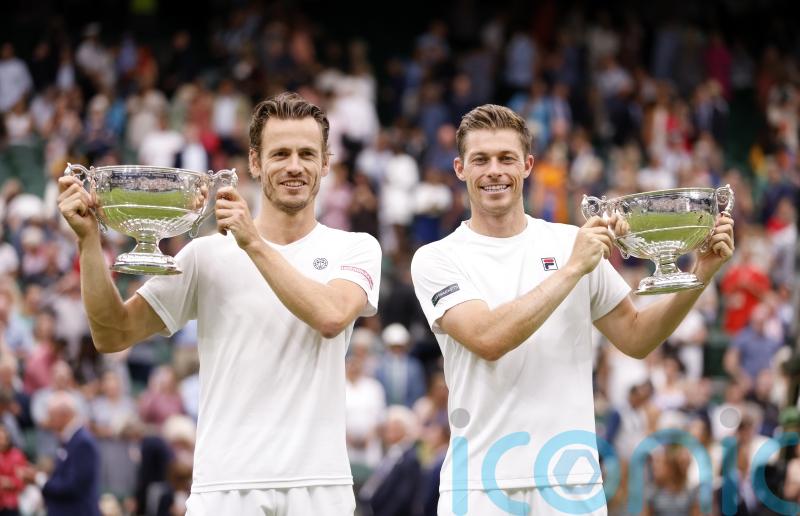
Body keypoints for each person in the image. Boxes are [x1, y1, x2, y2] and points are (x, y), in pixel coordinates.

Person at [57, 92, 382, 515]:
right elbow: (112, 333)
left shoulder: (355, 248)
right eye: (280, 153)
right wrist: (88, 242)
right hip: (224, 486)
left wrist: (252, 242)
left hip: (319, 487)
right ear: (255, 161)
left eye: (307, 154)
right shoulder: (205, 255)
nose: (294, 166)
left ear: (325, 163)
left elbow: (331, 316)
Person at [409, 104, 735, 515]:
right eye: (481, 160)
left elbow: (636, 337)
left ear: (527, 165)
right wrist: (573, 269)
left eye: (506, 158)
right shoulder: (437, 258)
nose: (494, 170)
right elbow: (487, 339)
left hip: (571, 482)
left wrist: (702, 270)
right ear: (460, 169)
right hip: (478, 484)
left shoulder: (570, 242)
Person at [26, 391, 101, 516]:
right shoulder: (70, 439)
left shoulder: (83, 443)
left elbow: (73, 486)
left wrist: (39, 479)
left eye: (52, 416)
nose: (49, 421)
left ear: (64, 415)